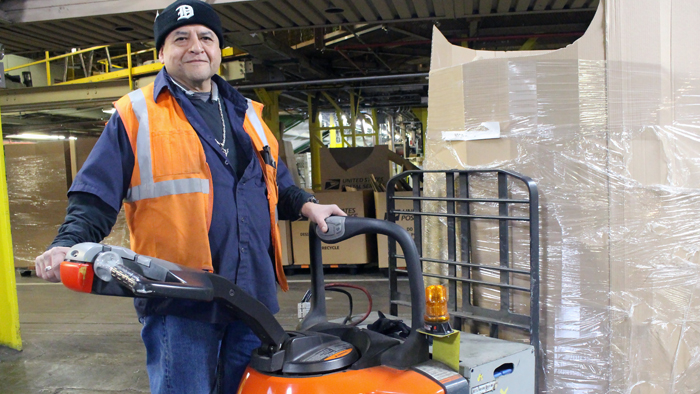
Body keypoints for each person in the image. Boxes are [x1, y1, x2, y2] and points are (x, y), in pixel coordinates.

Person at [34, 0, 345, 392]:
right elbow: (95, 198)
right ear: (161, 52)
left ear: (219, 50)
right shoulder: (136, 114)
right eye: (180, 38)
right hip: (180, 300)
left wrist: (306, 203)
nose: (195, 45)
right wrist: (67, 245)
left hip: (253, 298)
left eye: (206, 37)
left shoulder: (248, 114)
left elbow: (274, 184)